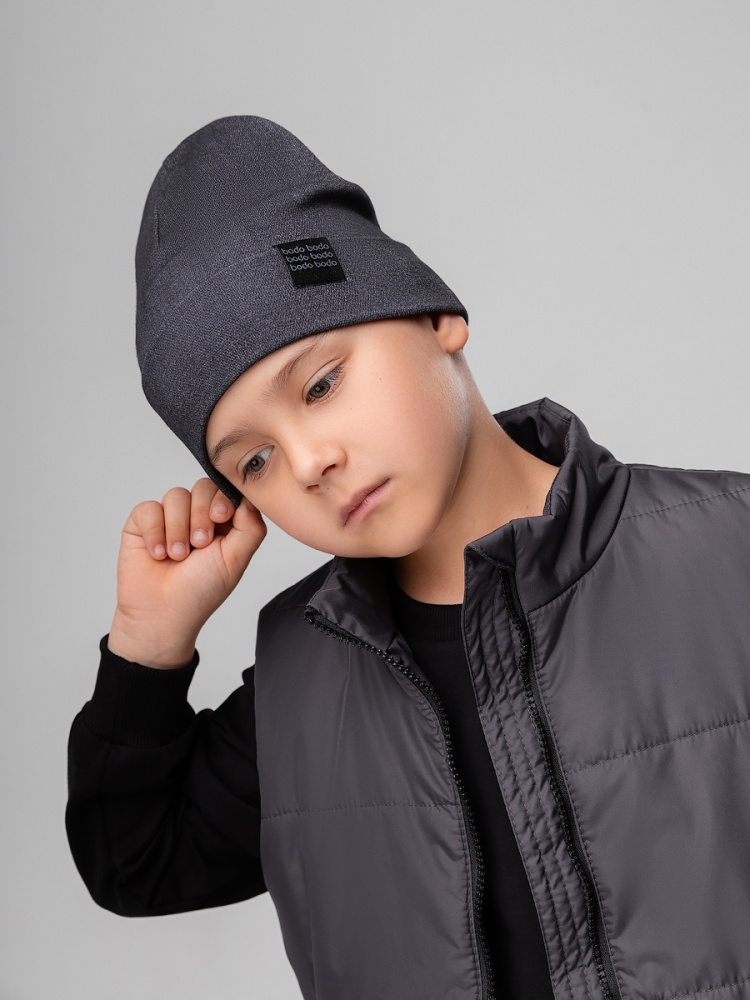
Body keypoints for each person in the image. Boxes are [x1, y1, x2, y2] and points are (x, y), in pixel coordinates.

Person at [66, 116, 750, 1000]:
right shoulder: (301, 685)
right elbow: (137, 862)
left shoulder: (729, 554)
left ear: (437, 316)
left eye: (321, 385)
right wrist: (146, 644)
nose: (309, 463)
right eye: (255, 461)